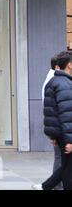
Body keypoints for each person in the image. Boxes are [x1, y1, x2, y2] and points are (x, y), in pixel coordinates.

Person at [37, 51, 72, 190]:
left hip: (60, 133)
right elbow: (67, 114)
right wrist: (70, 140)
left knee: (66, 166)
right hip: (66, 134)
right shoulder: (66, 84)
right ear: (69, 65)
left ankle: (46, 186)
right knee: (68, 170)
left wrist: (53, 135)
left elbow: (51, 111)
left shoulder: (53, 82)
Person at [33, 56, 62, 190]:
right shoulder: (54, 81)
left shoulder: (53, 80)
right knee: (61, 158)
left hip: (58, 125)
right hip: (59, 126)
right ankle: (55, 184)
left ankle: (54, 184)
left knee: (61, 158)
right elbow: (52, 107)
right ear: (57, 66)